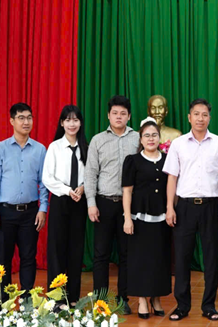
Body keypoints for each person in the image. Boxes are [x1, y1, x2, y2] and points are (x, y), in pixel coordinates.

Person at [164, 98, 218, 322]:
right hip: (184, 206)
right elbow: (172, 177)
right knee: (182, 258)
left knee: (211, 258)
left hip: (211, 206)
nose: (200, 118)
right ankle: (182, 306)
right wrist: (170, 207)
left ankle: (209, 306)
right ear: (189, 117)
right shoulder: (178, 144)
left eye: (205, 114)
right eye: (196, 114)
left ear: (209, 118)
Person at [0, 102, 48, 294]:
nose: (26, 122)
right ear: (12, 121)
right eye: (21, 118)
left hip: (30, 212)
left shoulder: (40, 149)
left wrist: (43, 208)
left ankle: (27, 299)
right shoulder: (0, 148)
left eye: (29, 118)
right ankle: (2, 301)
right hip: (5, 212)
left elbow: (43, 182)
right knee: (2, 258)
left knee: (29, 257)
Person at [85, 95, 138, 311]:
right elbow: (90, 173)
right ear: (108, 115)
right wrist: (91, 203)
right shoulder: (98, 140)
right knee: (101, 255)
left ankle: (123, 299)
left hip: (129, 205)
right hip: (104, 203)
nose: (118, 117)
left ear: (129, 116)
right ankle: (101, 300)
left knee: (126, 254)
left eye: (123, 113)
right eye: (115, 113)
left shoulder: (137, 138)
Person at [122, 117, 171, 319]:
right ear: (141, 139)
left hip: (162, 219)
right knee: (140, 261)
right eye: (147, 135)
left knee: (159, 260)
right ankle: (142, 299)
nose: (151, 139)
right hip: (140, 219)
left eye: (154, 135)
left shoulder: (168, 159)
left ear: (160, 137)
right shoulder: (132, 161)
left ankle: (156, 298)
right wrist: (127, 218)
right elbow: (127, 191)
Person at [43, 105, 88, 304]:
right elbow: (47, 177)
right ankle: (56, 298)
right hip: (61, 200)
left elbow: (92, 174)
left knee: (76, 250)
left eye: (75, 120)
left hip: (80, 201)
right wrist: (66, 190)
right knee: (57, 250)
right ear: (62, 123)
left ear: (80, 123)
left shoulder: (86, 147)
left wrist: (83, 188)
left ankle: (73, 297)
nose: (72, 124)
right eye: (68, 120)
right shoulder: (54, 147)